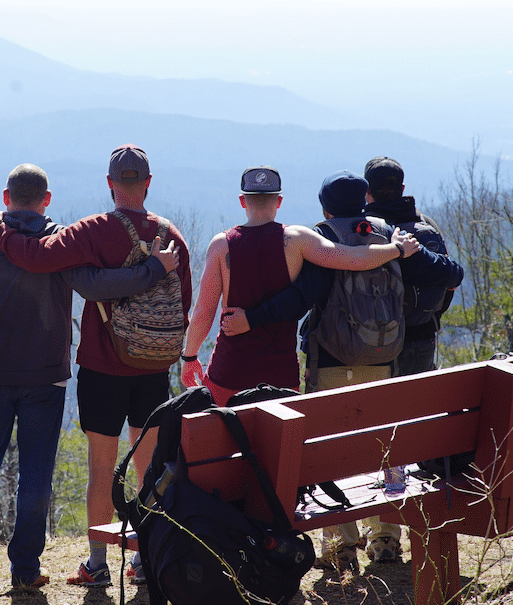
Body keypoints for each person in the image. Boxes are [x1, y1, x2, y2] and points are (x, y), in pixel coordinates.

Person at [0, 163, 180, 596]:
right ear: (46, 200)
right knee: (36, 474)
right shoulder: (59, 242)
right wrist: (155, 270)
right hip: (46, 377)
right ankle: (25, 569)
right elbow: (97, 285)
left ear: (6, 197)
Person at [225, 170, 463, 572]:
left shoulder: (323, 239)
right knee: (387, 445)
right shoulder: (389, 236)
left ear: (325, 207)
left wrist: (253, 318)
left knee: (331, 450)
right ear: (365, 199)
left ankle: (341, 546)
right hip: (384, 359)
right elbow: (451, 273)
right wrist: (411, 252)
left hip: (332, 362)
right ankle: (386, 537)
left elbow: (301, 298)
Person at [180, 166, 419, 405]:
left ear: (243, 201)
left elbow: (203, 313)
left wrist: (189, 357)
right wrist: (396, 249)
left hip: (229, 370)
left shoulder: (222, 245)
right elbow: (353, 258)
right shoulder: (297, 240)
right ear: (280, 201)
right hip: (280, 375)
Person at [363, 156, 462, 377]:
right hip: (421, 336)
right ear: (402, 188)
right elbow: (449, 285)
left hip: (370, 339)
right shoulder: (426, 225)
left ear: (367, 191)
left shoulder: (363, 230)